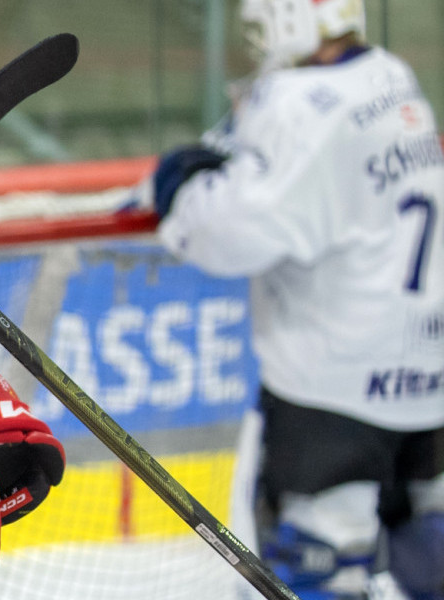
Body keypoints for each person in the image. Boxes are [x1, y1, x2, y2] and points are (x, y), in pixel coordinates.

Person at [146, 0, 444, 596]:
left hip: (331, 390)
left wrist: (184, 189)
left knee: (318, 565)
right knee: (429, 546)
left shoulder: (295, 101)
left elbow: (233, 232)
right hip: (427, 380)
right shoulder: (392, 75)